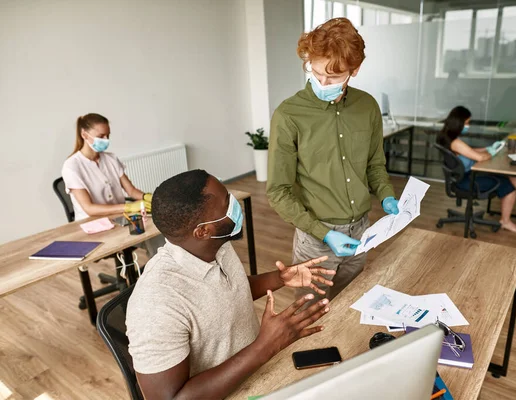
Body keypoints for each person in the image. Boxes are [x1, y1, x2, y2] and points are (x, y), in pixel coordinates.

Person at [126, 169, 334, 399]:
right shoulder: (155, 304)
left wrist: (279, 279)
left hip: (262, 370)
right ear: (203, 231)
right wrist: (263, 347)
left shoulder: (216, 244)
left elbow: (227, 292)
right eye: (227, 202)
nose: (235, 204)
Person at [267, 18, 398, 303]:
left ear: (355, 70)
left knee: (347, 304)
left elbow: (374, 164)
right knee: (309, 313)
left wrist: (387, 195)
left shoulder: (367, 107)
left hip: (362, 231)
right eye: (315, 72)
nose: (322, 83)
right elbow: (278, 192)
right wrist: (323, 233)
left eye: (334, 76)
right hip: (316, 239)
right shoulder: (289, 115)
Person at [436, 106, 516, 233]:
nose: (468, 126)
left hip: (461, 176)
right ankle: (506, 221)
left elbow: (469, 151)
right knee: (508, 185)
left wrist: (489, 148)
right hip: (466, 181)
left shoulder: (446, 136)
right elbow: (480, 158)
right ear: (458, 122)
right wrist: (493, 152)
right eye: (467, 123)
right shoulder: (455, 142)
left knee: (508, 175)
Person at [61, 113, 164, 255]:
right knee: (153, 240)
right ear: (84, 134)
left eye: (108, 136)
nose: (106, 140)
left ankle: (164, 272)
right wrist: (128, 207)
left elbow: (132, 191)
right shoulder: (72, 166)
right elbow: (89, 209)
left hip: (121, 218)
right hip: (95, 226)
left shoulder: (111, 159)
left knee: (161, 231)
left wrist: (148, 197)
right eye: (101, 136)